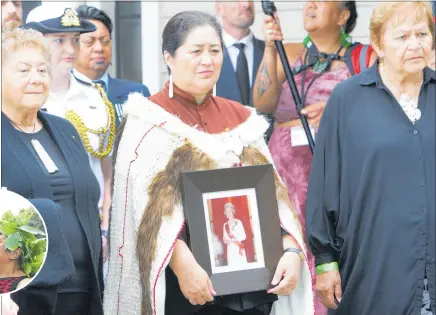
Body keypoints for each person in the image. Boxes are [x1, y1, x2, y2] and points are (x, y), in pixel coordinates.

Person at [104, 10, 313, 315]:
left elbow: (275, 201)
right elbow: (141, 212)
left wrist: (292, 250)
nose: (208, 60)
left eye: (215, 51)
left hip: (252, 288)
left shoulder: (242, 120)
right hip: (185, 290)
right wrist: (183, 264)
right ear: (169, 57)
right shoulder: (147, 122)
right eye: (196, 51)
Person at [306, 2, 435, 315]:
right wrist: (325, 262)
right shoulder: (347, 99)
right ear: (377, 44)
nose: (415, 44)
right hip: (374, 269)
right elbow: (325, 184)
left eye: (422, 34)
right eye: (402, 37)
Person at [252, 2, 377, 314]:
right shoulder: (290, 51)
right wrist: (270, 48)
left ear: (343, 14)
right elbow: (262, 102)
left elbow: (382, 112)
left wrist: (339, 110)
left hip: (333, 180)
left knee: (329, 258)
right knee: (285, 252)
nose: (310, 4)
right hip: (284, 180)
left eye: (321, 0)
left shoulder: (364, 57)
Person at [1, 28, 103, 315]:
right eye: (23, 70)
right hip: (19, 297)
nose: (36, 78)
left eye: (42, 69)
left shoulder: (66, 130)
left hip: (84, 289)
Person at [23, 4, 112, 259]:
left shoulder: (95, 97)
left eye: (75, 40)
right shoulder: (18, 99)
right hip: (35, 232)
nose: (70, 49)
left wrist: (105, 229)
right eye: (59, 40)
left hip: (91, 231)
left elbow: (107, 174)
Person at [75, 3, 151, 271]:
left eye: (105, 41)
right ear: (73, 45)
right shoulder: (62, 97)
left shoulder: (136, 93)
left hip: (131, 208)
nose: (99, 47)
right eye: (90, 41)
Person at [215, 0, 274, 140]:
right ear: (219, 8)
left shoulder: (272, 53)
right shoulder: (204, 58)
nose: (246, 4)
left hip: (268, 150)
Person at [222, 202, 248, 267]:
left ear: (233, 212)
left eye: (230, 211)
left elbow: (243, 236)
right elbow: (225, 239)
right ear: (225, 213)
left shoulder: (238, 222)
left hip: (238, 249)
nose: (228, 214)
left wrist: (233, 239)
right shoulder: (225, 225)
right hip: (230, 251)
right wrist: (225, 241)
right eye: (227, 212)